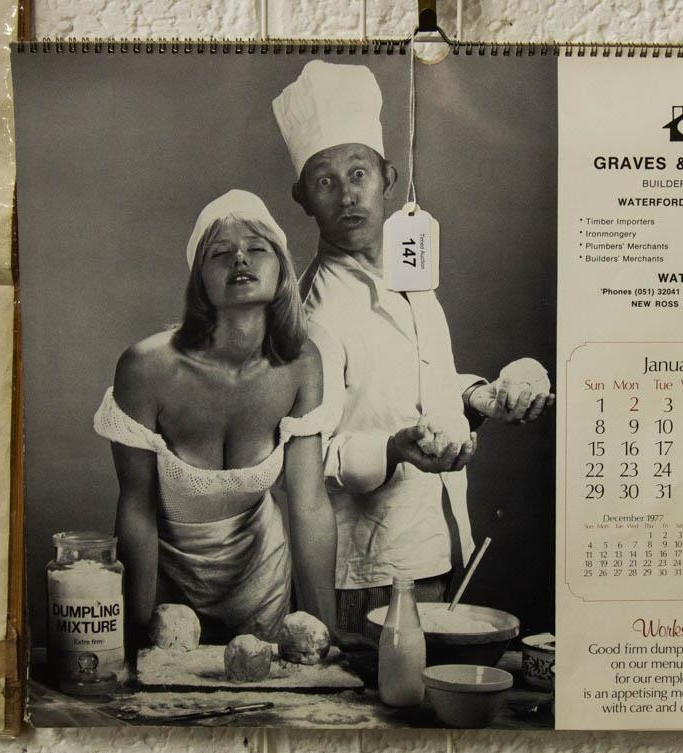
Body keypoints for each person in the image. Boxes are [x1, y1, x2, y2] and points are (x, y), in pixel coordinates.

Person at [273, 61, 554, 634]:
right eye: (324, 181)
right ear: (303, 198)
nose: (347, 196)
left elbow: (413, 385)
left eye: (359, 173)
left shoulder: (409, 273)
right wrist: (393, 449)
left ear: (388, 178)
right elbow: (302, 459)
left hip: (440, 544)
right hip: (369, 574)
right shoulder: (311, 315)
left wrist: (479, 397)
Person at [93, 189, 337, 648]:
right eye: (220, 253)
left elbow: (308, 504)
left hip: (263, 584)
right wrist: (136, 633)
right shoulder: (146, 368)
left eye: (257, 248)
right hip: (166, 590)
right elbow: (136, 509)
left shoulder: (302, 362)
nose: (240, 259)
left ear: (282, 269)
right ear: (199, 279)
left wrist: (328, 631)